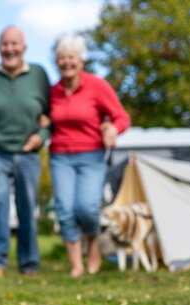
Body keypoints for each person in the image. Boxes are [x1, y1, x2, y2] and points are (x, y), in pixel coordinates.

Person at [0, 26, 51, 278]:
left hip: (28, 154)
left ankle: (29, 264)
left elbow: (51, 117)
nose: (10, 49)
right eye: (5, 44)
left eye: (14, 44)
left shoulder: (38, 74)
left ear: (24, 48)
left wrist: (41, 137)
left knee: (27, 206)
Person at [48, 34, 130, 277]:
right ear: (57, 62)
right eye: (62, 58)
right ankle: (76, 265)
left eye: (71, 57)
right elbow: (44, 120)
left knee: (86, 207)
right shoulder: (53, 92)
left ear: (81, 61)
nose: (66, 62)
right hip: (60, 155)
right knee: (64, 210)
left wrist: (113, 128)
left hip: (92, 154)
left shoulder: (97, 86)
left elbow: (121, 117)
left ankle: (92, 245)